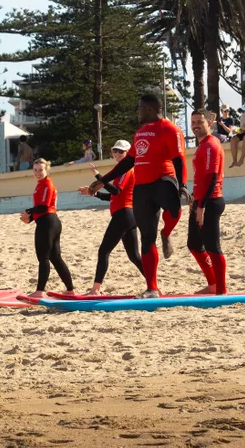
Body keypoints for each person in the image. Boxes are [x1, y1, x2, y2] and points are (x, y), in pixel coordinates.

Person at [90, 94, 189, 298]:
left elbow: (179, 159)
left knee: (174, 211)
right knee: (147, 238)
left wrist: (182, 184)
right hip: (142, 188)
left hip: (164, 180)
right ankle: (152, 288)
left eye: (140, 108)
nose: (138, 111)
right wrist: (103, 179)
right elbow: (129, 162)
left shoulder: (170, 129)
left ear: (151, 109)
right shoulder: (140, 132)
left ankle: (167, 232)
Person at [77, 140, 143, 295]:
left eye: (121, 152)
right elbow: (113, 197)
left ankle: (95, 289)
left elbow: (116, 192)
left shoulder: (126, 170)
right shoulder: (120, 170)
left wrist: (100, 177)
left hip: (123, 215)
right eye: (115, 151)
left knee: (103, 251)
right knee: (134, 256)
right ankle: (153, 285)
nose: (117, 154)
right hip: (129, 215)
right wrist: (94, 193)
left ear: (128, 153)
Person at [21, 158, 75, 298]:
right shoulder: (40, 184)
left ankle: (39, 291)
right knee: (55, 257)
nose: (38, 172)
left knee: (43, 257)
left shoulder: (47, 184)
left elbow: (45, 206)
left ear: (47, 170)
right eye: (35, 170)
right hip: (49, 221)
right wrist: (31, 217)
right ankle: (70, 289)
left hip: (48, 223)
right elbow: (42, 208)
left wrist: (29, 211)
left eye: (41, 170)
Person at [188, 110, 227, 295]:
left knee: (212, 246)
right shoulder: (202, 145)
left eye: (199, 122)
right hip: (200, 200)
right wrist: (195, 200)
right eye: (193, 122)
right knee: (194, 244)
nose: (195, 125)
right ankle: (212, 284)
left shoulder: (211, 144)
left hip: (210, 201)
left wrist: (202, 206)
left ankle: (221, 289)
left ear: (210, 123)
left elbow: (212, 178)